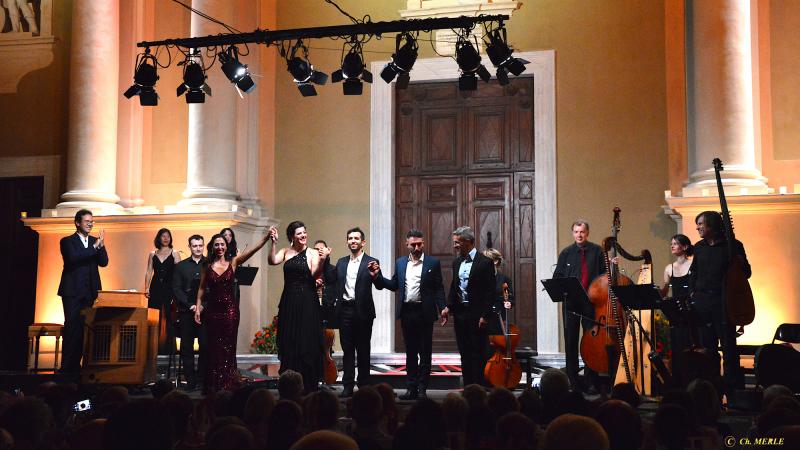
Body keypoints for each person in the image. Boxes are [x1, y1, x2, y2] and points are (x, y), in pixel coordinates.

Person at [369, 229, 446, 400]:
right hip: (407, 312)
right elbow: (394, 284)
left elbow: (438, 288)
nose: (417, 247)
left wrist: (443, 307)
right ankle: (411, 388)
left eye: (419, 244)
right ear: (407, 245)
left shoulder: (432, 263)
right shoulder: (401, 262)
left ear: (423, 244)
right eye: (413, 244)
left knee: (425, 352)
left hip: (424, 312)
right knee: (410, 352)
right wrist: (377, 277)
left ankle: (422, 389)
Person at [194, 229, 270, 393]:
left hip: (230, 311)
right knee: (213, 348)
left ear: (226, 246)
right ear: (212, 247)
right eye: (217, 245)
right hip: (213, 311)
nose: (220, 247)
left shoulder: (233, 262)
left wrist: (265, 239)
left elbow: (252, 251)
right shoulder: (206, 266)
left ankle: (227, 383)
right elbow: (201, 288)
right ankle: (214, 384)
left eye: (222, 244)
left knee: (228, 347)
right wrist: (198, 307)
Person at [689, 210, 751, 394]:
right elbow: (695, 271)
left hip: (724, 304)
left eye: (701, 224)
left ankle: (732, 391)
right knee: (708, 350)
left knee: (729, 348)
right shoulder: (699, 247)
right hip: (702, 303)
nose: (697, 227)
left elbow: (746, 274)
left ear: (712, 226)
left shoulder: (734, 245)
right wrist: (693, 292)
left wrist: (739, 263)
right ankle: (711, 389)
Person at [267, 221, 324, 393]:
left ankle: (308, 383)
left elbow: (315, 274)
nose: (303, 235)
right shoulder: (285, 251)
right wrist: (274, 243)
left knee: (306, 339)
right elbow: (272, 260)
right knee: (290, 339)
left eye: (304, 232)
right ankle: (290, 384)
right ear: (292, 236)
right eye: (299, 233)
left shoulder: (313, 252)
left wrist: (322, 259)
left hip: (307, 300)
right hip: (289, 300)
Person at [326, 227, 380, 398]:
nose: (353, 241)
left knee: (363, 350)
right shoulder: (341, 262)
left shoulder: (371, 261)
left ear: (363, 242)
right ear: (347, 242)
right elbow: (330, 280)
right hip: (345, 311)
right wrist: (326, 259)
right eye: (350, 238)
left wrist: (376, 275)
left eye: (356, 238)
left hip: (363, 312)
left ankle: (364, 385)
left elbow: (378, 284)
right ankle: (347, 385)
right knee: (347, 349)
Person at [553, 220, 605, 393]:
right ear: (573, 233)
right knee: (570, 341)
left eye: (582, 232)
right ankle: (573, 381)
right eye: (576, 232)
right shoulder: (566, 253)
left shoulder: (597, 251)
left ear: (587, 233)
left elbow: (605, 275)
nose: (579, 235)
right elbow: (558, 276)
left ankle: (591, 381)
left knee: (591, 341)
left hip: (591, 302)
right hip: (571, 302)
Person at [440, 226, 496, 387]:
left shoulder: (485, 262)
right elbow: (454, 287)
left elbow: (490, 292)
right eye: (454, 242)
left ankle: (479, 387)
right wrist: (448, 308)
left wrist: (485, 316)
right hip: (461, 314)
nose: (455, 246)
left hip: (477, 315)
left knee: (477, 353)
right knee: (464, 353)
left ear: (469, 242)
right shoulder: (457, 262)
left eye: (458, 242)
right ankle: (468, 387)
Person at [57, 209, 108, 373]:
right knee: (72, 327)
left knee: (86, 329)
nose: (90, 224)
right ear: (78, 223)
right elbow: (73, 258)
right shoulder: (67, 241)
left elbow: (104, 262)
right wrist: (94, 247)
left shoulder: (95, 241)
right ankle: (67, 367)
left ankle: (81, 366)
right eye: (87, 221)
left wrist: (101, 246)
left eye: (92, 221)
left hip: (90, 291)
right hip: (72, 291)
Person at [171, 234, 208, 391]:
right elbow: (176, 288)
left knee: (205, 346)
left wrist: (202, 306)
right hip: (186, 312)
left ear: (203, 246)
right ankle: (190, 382)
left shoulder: (210, 264)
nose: (198, 248)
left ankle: (201, 380)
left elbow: (213, 289)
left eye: (200, 245)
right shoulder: (181, 266)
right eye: (195, 246)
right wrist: (191, 305)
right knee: (186, 348)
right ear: (190, 247)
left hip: (205, 313)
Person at [659, 234, 693, 385]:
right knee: (677, 344)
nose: (672, 246)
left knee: (690, 342)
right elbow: (664, 292)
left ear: (685, 247)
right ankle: (678, 380)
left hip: (691, 309)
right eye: (671, 243)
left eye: (676, 243)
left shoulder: (693, 265)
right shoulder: (669, 268)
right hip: (676, 311)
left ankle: (691, 377)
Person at [144, 228, 181, 354]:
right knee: (154, 318)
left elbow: (179, 273)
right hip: (155, 287)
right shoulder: (152, 254)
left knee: (169, 317)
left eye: (168, 236)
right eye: (163, 236)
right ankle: (153, 349)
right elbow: (149, 271)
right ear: (158, 238)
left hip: (170, 288)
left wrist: (177, 290)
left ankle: (169, 350)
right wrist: (146, 287)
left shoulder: (175, 253)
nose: (166, 238)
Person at [483, 248, 515, 329]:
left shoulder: (504, 279)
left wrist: (509, 303)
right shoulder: (479, 278)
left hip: (499, 317)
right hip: (482, 318)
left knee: (500, 339)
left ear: (495, 261)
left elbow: (510, 297)